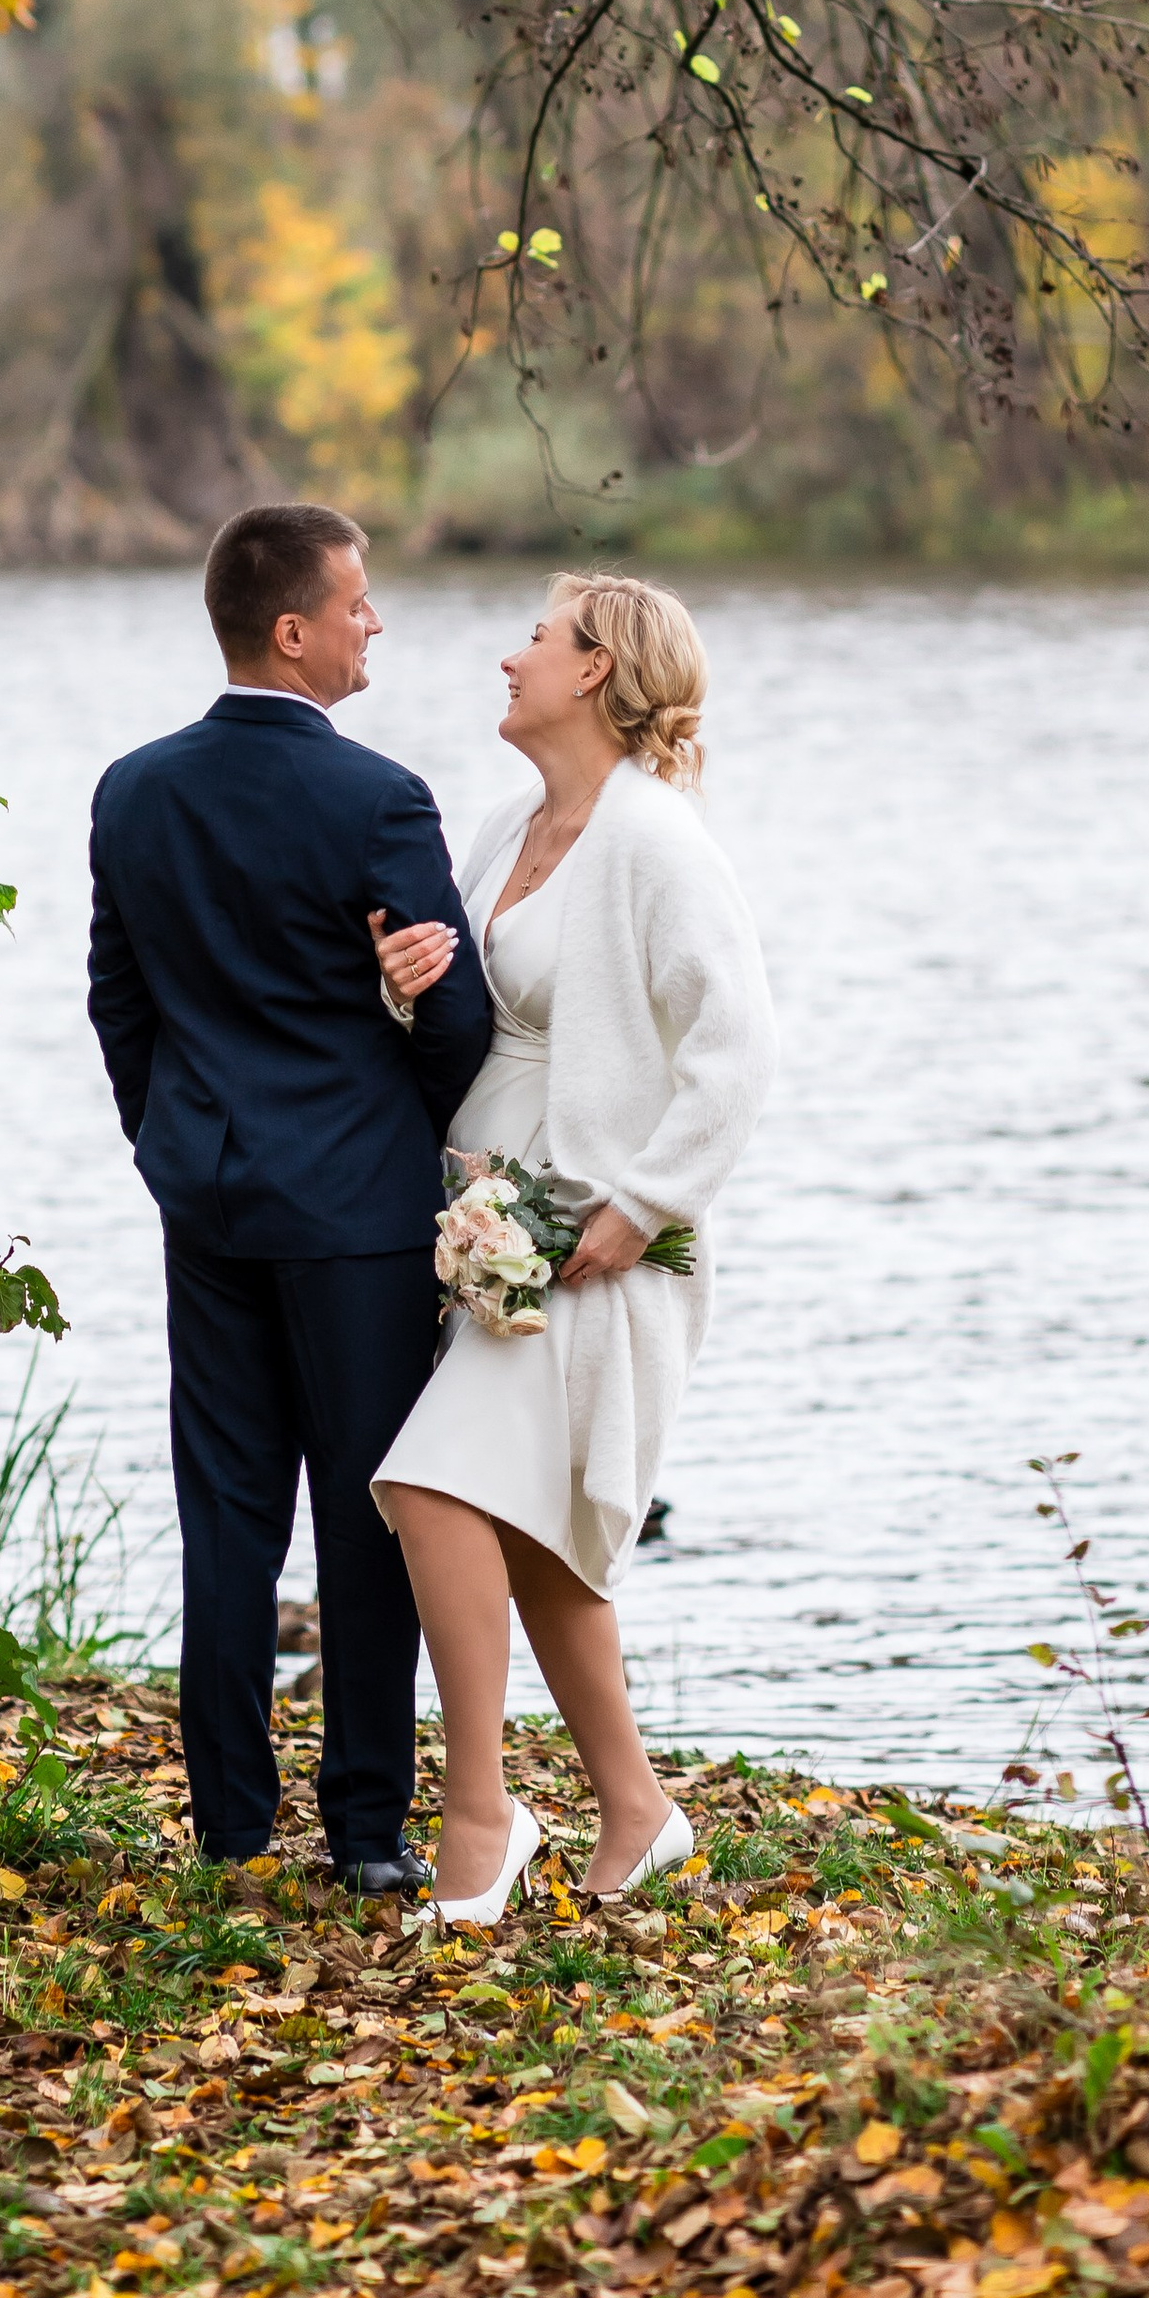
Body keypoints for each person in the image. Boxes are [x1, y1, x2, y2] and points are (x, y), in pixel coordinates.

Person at [88, 502, 493, 1893]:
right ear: (293, 629)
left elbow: (118, 1004)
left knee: (228, 1514)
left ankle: (231, 1828)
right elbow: (459, 1026)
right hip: (358, 1215)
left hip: (207, 1203)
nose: (376, 620)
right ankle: (367, 1832)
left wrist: (169, 1145)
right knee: (368, 1517)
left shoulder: (132, 790)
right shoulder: (379, 799)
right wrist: (415, 1059)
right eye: (360, 599)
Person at [371, 573, 774, 1921]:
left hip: (593, 1244)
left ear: (597, 669)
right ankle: (639, 1810)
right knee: (538, 1541)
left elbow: (735, 1051)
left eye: (535, 640)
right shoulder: (507, 825)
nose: (509, 657)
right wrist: (411, 982)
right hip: (484, 1225)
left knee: (432, 1491)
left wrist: (641, 1202)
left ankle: (480, 1819)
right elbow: (487, 1015)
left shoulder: (657, 840)